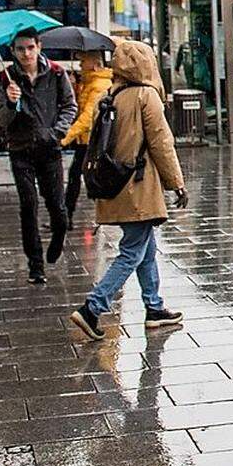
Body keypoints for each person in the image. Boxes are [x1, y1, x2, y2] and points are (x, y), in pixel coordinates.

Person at [69, 40, 188, 339]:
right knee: (132, 252)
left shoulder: (109, 95)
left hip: (114, 185)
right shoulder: (146, 96)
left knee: (145, 249)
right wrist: (177, 182)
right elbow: (162, 143)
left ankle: (154, 307)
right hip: (138, 187)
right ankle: (92, 308)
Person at [0, 28, 78, 285]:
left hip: (49, 149)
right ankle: (36, 265)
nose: (26, 53)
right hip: (20, 150)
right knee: (28, 206)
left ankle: (58, 236)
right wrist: (10, 103)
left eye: (30, 47)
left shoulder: (55, 73)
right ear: (13, 51)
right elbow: (1, 119)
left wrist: (57, 132)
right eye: (20, 49)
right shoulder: (6, 78)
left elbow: (69, 106)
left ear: (39, 47)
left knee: (58, 208)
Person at [61, 49, 115, 229]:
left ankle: (105, 214)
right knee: (79, 176)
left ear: (94, 64)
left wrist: (64, 138)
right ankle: (66, 216)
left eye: (83, 62)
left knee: (87, 177)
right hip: (85, 141)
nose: (80, 65)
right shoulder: (90, 82)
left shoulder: (98, 85)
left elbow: (86, 117)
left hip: (92, 141)